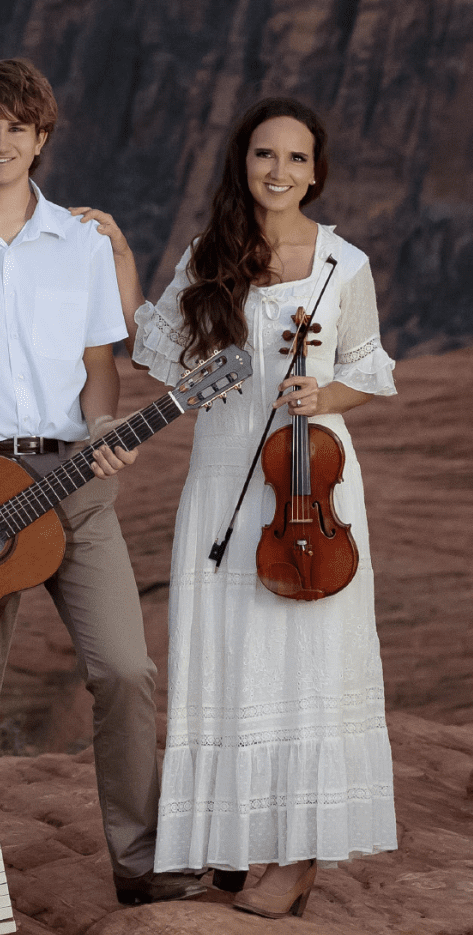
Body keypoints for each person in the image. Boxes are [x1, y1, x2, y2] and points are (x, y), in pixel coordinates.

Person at [0, 58, 205, 905]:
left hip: (74, 481)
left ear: (42, 138)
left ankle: (140, 864)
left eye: (18, 126)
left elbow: (101, 368)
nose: (1, 141)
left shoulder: (84, 244)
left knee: (126, 670)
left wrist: (104, 431)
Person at [87, 96, 397, 918]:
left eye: (297, 159)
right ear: (243, 162)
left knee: (307, 663)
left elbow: (370, 370)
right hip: (224, 482)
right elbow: (155, 347)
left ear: (317, 171)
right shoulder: (210, 254)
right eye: (266, 155)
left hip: (308, 484)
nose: (281, 171)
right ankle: (234, 842)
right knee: (227, 661)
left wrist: (319, 389)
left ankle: (298, 860)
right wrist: (120, 251)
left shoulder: (344, 264)